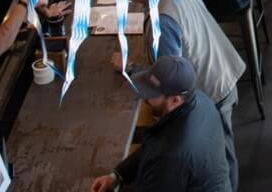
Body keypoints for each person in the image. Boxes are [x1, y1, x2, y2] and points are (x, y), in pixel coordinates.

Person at [113, 0, 244, 192]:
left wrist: (131, 68)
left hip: (215, 86)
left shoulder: (173, 155)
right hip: (221, 68)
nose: (146, 98)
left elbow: (168, 68)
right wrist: (117, 175)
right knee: (218, 159)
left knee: (222, 162)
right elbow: (169, 72)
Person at [90, 55, 231, 192]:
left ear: (175, 100)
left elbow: (160, 155)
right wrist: (117, 176)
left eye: (152, 94)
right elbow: (153, 144)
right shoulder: (200, 100)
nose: (145, 97)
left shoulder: (170, 155)